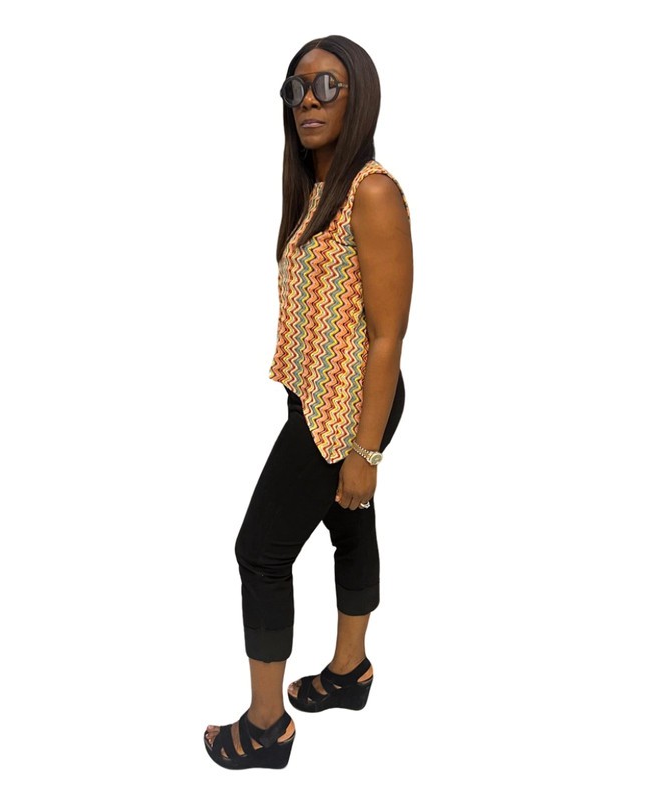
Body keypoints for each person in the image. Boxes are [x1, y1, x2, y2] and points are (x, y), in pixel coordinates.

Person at [204, 34, 413, 770]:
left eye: (327, 85)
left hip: (349, 409)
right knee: (348, 526)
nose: (307, 102)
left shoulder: (373, 192)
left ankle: (266, 728)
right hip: (318, 396)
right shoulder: (317, 192)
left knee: (260, 552)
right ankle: (350, 674)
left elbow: (387, 336)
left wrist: (365, 451)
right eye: (295, 89)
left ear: (360, 96)